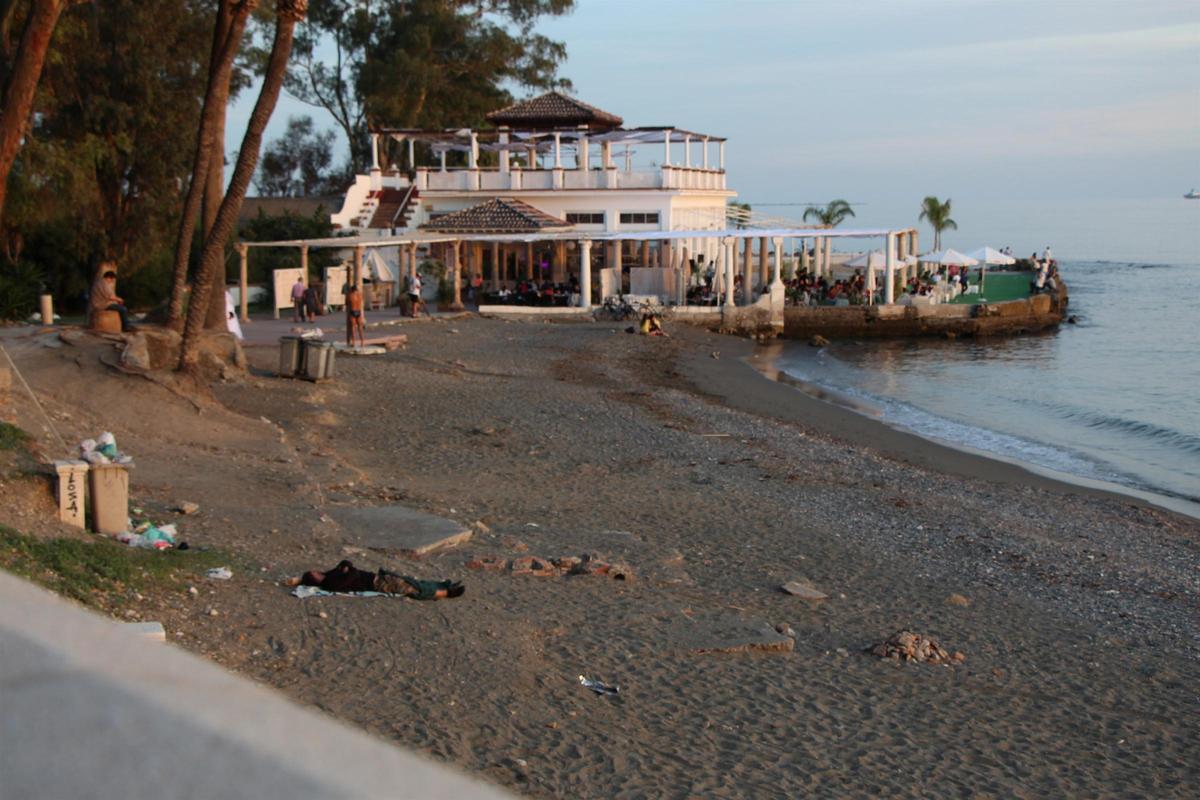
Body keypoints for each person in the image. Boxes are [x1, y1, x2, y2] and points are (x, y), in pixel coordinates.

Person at [284, 560, 465, 599]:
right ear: (315, 579)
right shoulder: (330, 583)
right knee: (411, 588)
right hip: (378, 584)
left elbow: (345, 563)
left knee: (413, 581)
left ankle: (444, 585)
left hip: (380, 577)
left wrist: (343, 566)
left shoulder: (329, 575)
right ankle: (446, 592)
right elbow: (352, 575)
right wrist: (349, 569)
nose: (317, 570)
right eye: (314, 573)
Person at [89, 266, 134, 332]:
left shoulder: (99, 282)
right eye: (112, 279)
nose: (112, 281)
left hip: (102, 303)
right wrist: (119, 299)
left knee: (120, 307)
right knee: (123, 309)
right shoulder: (103, 284)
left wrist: (116, 301)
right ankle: (126, 327)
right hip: (101, 305)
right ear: (109, 278)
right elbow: (110, 297)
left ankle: (126, 324)